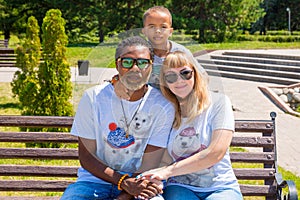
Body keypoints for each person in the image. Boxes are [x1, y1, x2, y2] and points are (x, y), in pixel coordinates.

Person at [61, 36, 175, 200]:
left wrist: (125, 194)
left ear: (151, 66)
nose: (135, 68)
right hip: (94, 182)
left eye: (142, 63)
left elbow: (150, 162)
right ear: (117, 64)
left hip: (141, 182)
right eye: (128, 62)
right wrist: (123, 181)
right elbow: (86, 157)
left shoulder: (163, 106)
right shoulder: (93, 98)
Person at [136, 51, 243, 200]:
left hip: (220, 187)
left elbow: (216, 152)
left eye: (185, 73)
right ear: (165, 82)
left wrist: (167, 172)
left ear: (195, 74)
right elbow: (166, 157)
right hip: (180, 186)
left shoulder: (219, 103)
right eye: (171, 77)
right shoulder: (167, 111)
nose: (179, 80)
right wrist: (157, 179)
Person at [113, 6, 207, 99]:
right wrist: (117, 82)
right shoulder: (141, 53)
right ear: (144, 31)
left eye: (163, 27)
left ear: (170, 31)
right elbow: (125, 74)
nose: (157, 31)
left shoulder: (181, 52)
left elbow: (202, 76)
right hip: (147, 103)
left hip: (176, 103)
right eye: (152, 26)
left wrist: (193, 96)